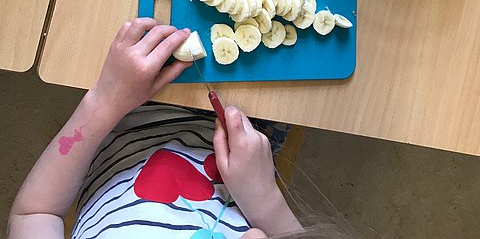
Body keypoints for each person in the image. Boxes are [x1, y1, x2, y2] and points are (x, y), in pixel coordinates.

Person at [7, 18, 303, 239]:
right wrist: (265, 202)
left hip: (124, 114)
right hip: (252, 142)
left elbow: (34, 213)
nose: (255, 236)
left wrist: (105, 100)